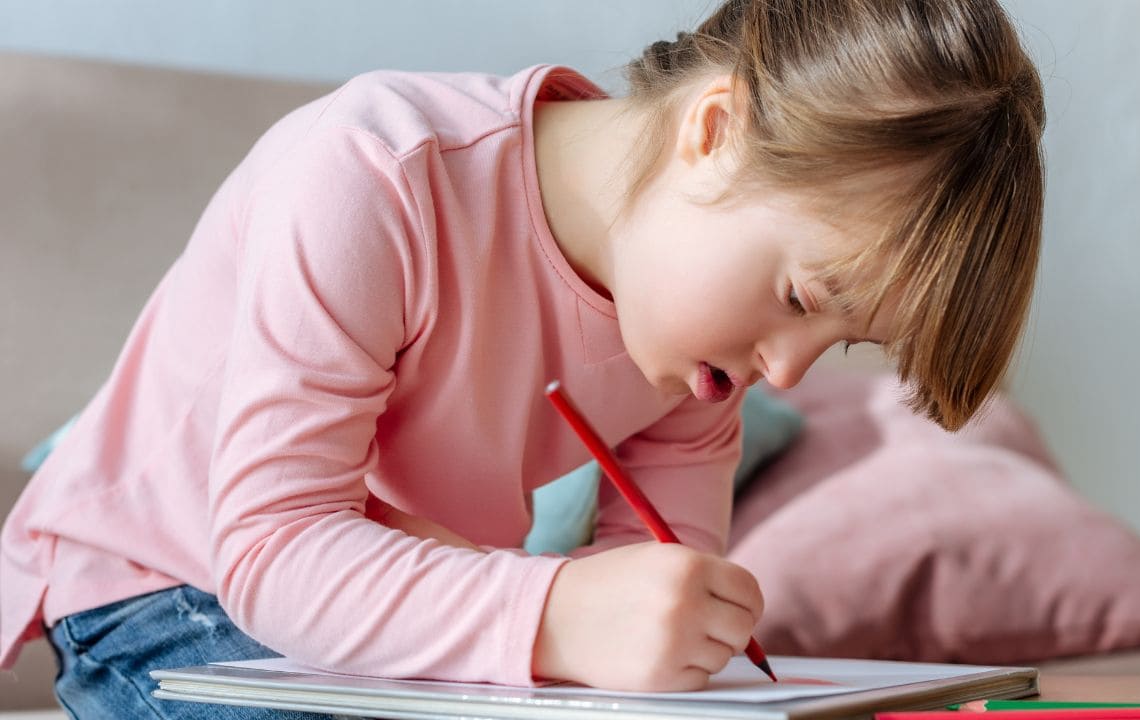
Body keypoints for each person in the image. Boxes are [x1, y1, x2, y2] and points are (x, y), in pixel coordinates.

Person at [0, 0, 1045, 715]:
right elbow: (272, 554)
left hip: (375, 617)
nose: (787, 373)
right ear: (713, 130)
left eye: (842, 341)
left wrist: (654, 632)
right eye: (799, 299)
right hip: (169, 592)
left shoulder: (692, 346)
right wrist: (553, 614)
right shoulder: (374, 175)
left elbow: (635, 610)